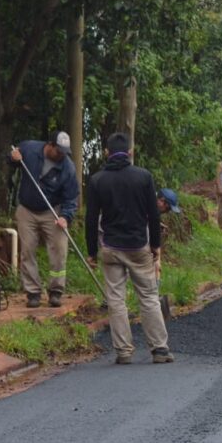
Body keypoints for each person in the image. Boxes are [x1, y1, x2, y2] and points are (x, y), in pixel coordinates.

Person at [85, 132, 173, 365]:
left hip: (111, 248)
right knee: (148, 297)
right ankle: (160, 350)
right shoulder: (143, 177)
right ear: (130, 153)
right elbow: (153, 215)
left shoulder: (97, 180)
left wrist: (91, 252)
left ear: (106, 153)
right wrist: (155, 245)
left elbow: (91, 218)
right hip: (137, 246)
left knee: (116, 300)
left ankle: (123, 351)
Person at [9, 132, 80, 308]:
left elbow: (71, 198)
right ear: (50, 145)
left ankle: (56, 291)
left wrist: (65, 216)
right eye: (59, 151)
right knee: (27, 251)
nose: (61, 155)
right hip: (27, 209)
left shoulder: (68, 168)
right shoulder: (29, 148)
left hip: (52, 211)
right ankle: (33, 292)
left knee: (59, 250)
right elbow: (10, 160)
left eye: (64, 152)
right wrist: (13, 158)